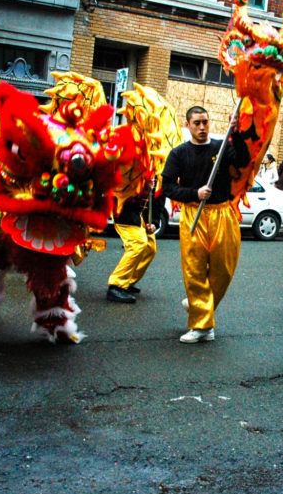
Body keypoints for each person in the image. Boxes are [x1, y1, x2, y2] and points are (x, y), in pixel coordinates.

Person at [161, 105, 250, 343]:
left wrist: (236, 132)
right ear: (188, 124)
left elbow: (243, 160)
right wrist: (194, 193)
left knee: (223, 270)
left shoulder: (221, 148)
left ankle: (199, 305)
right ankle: (201, 326)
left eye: (205, 122)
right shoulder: (179, 154)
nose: (202, 127)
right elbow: (167, 186)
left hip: (222, 213)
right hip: (194, 214)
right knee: (195, 271)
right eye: (197, 123)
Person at [106, 187, 157, 303]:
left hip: (137, 214)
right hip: (123, 210)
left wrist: (153, 222)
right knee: (138, 244)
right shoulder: (132, 169)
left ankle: (128, 280)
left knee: (150, 247)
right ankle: (116, 285)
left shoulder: (158, 171)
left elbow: (159, 196)